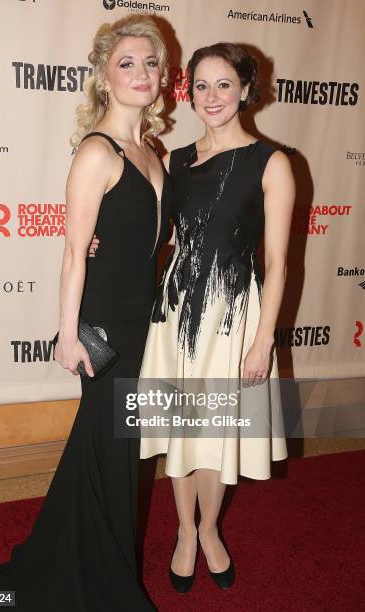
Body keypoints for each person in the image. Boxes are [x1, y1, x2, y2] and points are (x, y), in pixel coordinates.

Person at [0, 15, 171, 611]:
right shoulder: (98, 150)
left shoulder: (151, 150)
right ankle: (94, 581)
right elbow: (74, 252)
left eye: (150, 63)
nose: (141, 73)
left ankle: (76, 560)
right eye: (127, 63)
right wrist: (68, 338)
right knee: (105, 448)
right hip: (106, 332)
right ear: (104, 78)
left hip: (141, 323)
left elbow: (138, 241)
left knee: (108, 450)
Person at [138, 42, 295, 592]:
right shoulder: (175, 160)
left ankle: (210, 531)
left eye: (223, 84)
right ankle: (184, 530)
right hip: (175, 310)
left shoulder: (270, 162)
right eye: (200, 85)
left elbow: (276, 262)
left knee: (214, 431)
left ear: (247, 90)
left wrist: (263, 342)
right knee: (180, 428)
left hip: (231, 316)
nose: (211, 97)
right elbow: (168, 238)